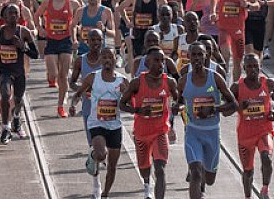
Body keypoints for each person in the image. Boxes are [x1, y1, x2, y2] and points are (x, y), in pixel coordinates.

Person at [178, 43, 238, 199]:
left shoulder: (215, 77)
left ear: (206, 57)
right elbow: (177, 102)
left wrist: (213, 109)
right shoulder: (183, 80)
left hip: (212, 133)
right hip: (193, 132)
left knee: (209, 178)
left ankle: (203, 186)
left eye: (200, 54)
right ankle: (198, 192)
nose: (197, 58)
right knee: (195, 172)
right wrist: (176, 108)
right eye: (194, 55)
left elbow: (233, 103)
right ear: (188, 57)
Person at [124, 46, 176, 199]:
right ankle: (147, 185)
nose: (160, 64)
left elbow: (180, 100)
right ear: (147, 63)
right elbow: (122, 104)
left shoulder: (170, 82)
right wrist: (138, 111)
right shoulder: (136, 83)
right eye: (156, 61)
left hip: (160, 131)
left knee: (160, 169)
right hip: (141, 133)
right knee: (144, 168)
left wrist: (178, 106)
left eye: (162, 61)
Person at [74, 47, 126, 199]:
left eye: (110, 57)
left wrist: (128, 99)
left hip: (115, 126)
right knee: (101, 155)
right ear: (100, 60)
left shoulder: (122, 80)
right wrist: (72, 104)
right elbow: (78, 93)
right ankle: (93, 156)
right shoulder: (92, 77)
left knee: (112, 166)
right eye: (104, 57)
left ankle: (105, 194)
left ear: (116, 59)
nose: (107, 60)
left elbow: (130, 100)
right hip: (96, 123)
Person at [231, 53, 274, 199]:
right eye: (249, 67)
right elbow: (227, 106)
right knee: (248, 171)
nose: (253, 69)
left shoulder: (268, 83)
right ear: (244, 68)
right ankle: (248, 196)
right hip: (245, 135)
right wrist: (239, 106)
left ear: (260, 66)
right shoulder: (236, 87)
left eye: (255, 66)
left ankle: (265, 190)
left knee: (266, 157)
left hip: (264, 130)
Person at [0, 4, 39, 144]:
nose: (13, 16)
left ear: (19, 15)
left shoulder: (24, 32)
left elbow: (36, 54)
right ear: (4, 16)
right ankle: (6, 129)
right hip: (3, 70)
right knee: (5, 94)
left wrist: (23, 47)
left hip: (19, 72)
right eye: (10, 13)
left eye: (16, 13)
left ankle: (16, 117)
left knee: (18, 100)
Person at [36, 0, 79, 117]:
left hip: (66, 41)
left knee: (63, 75)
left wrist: (76, 33)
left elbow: (81, 16)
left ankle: (60, 106)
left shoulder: (72, 2)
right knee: (54, 74)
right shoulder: (48, 1)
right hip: (52, 41)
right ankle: (50, 77)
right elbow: (37, 15)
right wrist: (40, 28)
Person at [212, 0, 260, 74]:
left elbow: (257, 5)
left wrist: (247, 5)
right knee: (226, 56)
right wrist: (213, 12)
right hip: (223, 27)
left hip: (238, 29)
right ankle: (224, 85)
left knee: (237, 61)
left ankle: (234, 88)